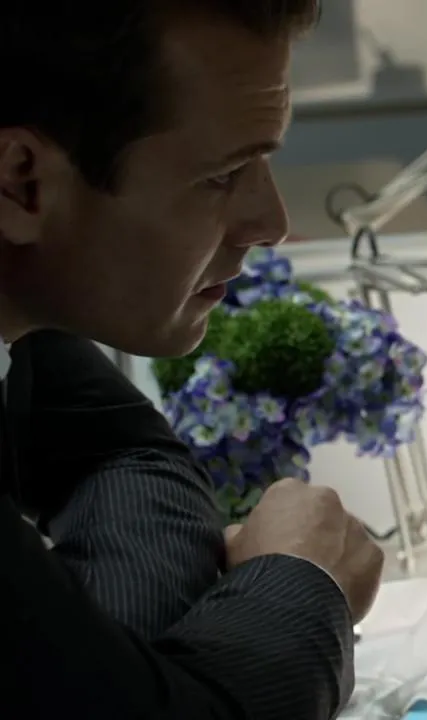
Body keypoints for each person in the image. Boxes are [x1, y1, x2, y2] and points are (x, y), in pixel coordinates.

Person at [0, 2, 384, 718]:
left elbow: (130, 455)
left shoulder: (19, 321)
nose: (272, 223)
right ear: (21, 183)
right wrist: (300, 581)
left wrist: (124, 677)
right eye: (223, 175)